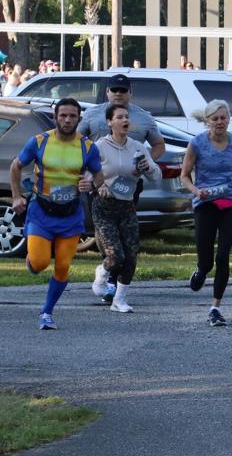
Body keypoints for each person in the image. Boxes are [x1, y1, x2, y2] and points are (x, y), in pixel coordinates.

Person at [9, 98, 104, 330]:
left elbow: (99, 176)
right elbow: (15, 166)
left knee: (62, 266)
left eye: (72, 116)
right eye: (63, 115)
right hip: (41, 211)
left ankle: (47, 312)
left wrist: (90, 184)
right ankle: (33, 259)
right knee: (40, 263)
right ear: (55, 117)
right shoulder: (39, 141)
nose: (67, 120)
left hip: (70, 215)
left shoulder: (88, 147)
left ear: (79, 119)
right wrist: (16, 196)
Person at [79, 74, 166, 303]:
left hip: (128, 187)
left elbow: (158, 145)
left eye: (123, 90)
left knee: (127, 244)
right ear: (107, 92)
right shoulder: (92, 115)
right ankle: (107, 276)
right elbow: (78, 144)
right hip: (101, 186)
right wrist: (88, 177)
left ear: (130, 93)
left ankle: (116, 289)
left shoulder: (143, 118)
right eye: (114, 90)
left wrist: (146, 165)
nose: (118, 93)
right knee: (108, 239)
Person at [180, 100, 232, 327]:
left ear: (229, 119)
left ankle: (215, 307)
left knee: (223, 255)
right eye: (215, 118)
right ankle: (201, 271)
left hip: (230, 202)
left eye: (223, 118)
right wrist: (196, 190)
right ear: (207, 121)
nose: (220, 122)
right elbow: (185, 175)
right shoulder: (197, 144)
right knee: (207, 260)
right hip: (205, 203)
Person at [92, 104, 162, 313]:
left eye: (126, 117)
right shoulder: (99, 146)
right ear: (109, 122)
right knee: (116, 255)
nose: (125, 121)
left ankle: (119, 300)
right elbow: (87, 172)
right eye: (119, 117)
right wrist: (100, 184)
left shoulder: (137, 147)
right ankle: (102, 273)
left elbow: (156, 175)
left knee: (131, 255)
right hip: (104, 206)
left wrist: (147, 168)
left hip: (127, 206)